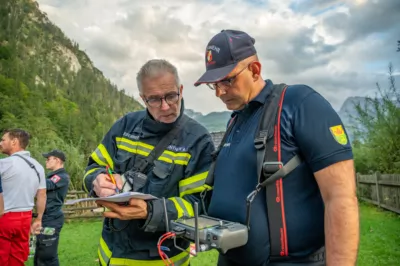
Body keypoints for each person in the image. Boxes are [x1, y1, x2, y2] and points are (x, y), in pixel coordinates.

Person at [194, 29, 359, 266]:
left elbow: (340, 198)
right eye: (214, 85)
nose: (220, 92)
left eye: (227, 80)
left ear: (254, 70)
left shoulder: (299, 104)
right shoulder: (235, 120)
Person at [82, 59, 215, 266]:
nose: (165, 106)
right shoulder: (124, 126)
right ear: (143, 99)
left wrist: (151, 211)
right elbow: (93, 167)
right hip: (109, 255)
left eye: (171, 96)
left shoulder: (198, 140)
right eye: (154, 99)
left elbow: (200, 205)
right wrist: (96, 181)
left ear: (180, 90)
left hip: (162, 259)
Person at [0, 129, 47, 266]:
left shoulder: (4, 163)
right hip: (25, 218)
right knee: (17, 259)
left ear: (14, 142)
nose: (1, 143)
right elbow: (42, 195)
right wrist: (38, 218)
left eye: (3, 139)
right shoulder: (38, 166)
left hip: (5, 217)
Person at [33, 149, 70, 266]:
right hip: (45, 218)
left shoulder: (61, 177)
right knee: (40, 251)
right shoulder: (52, 176)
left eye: (48, 159)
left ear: (57, 160)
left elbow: (46, 185)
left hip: (52, 220)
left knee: (47, 253)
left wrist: (30, 176)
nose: (46, 162)